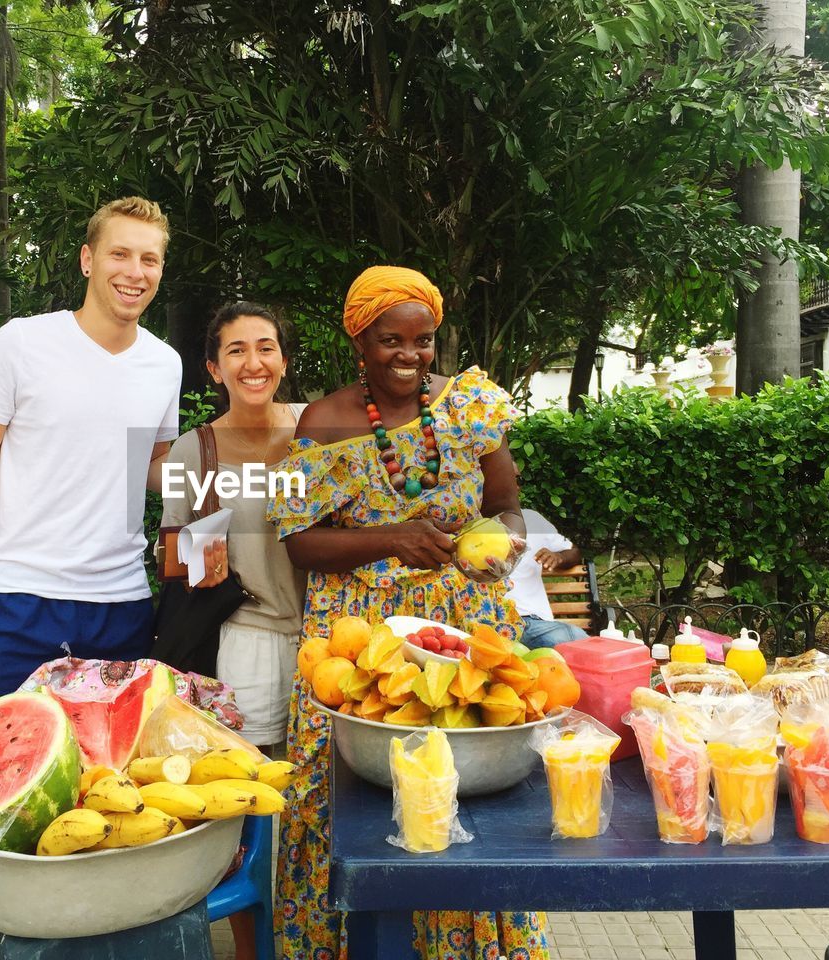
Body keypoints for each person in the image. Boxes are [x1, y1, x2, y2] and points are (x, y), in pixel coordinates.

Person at [266, 266, 550, 960]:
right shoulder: (323, 421)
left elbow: (506, 502)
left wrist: (503, 542)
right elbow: (300, 543)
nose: (409, 356)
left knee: (467, 791)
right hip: (361, 643)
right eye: (390, 340)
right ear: (359, 339)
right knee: (345, 799)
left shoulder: (468, 406)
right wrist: (390, 539)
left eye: (423, 342)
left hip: (461, 627)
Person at [0, 197, 181, 698]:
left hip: (123, 605)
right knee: (4, 768)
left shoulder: (166, 364)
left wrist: (248, 469)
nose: (134, 272)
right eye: (120, 254)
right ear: (87, 259)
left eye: (149, 259)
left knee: (111, 774)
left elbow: (154, 468)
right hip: (16, 600)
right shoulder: (20, 343)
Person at [160, 302, 306, 749]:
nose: (253, 363)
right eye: (237, 351)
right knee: (253, 779)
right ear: (215, 369)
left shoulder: (317, 427)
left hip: (330, 631)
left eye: (266, 348)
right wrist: (196, 560)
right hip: (248, 638)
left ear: (283, 360)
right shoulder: (191, 450)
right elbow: (169, 555)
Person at [507, 508, 589, 648]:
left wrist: (559, 557)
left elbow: (573, 551)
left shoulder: (531, 519)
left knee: (573, 642)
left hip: (531, 621)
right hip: (486, 621)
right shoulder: (470, 521)